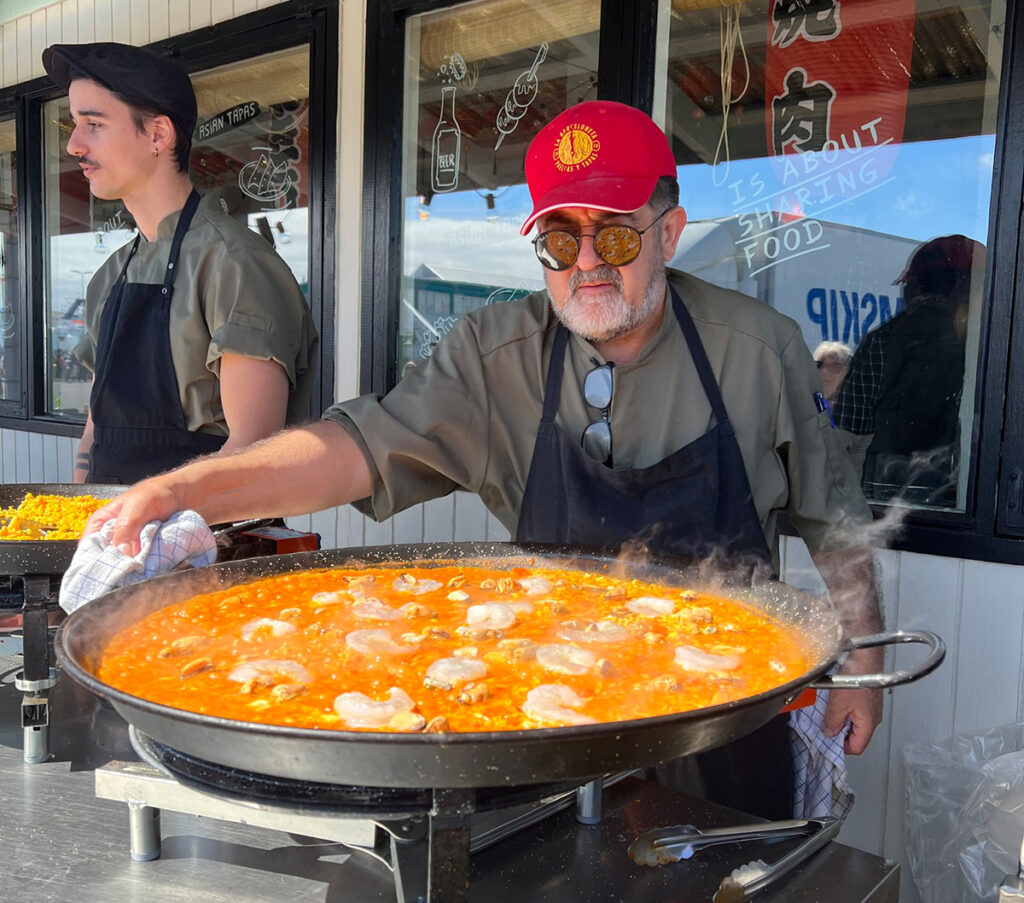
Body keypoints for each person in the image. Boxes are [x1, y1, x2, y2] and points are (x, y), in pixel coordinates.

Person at [88, 100, 883, 819]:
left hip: (719, 715)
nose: (587, 263)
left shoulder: (758, 349)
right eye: (558, 238)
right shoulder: (493, 352)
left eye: (613, 231)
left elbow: (835, 517)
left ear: (667, 234)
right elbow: (350, 450)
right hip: (533, 730)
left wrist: (866, 652)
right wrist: (185, 491)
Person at [41, 42, 318, 485]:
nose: (73, 145)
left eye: (93, 124)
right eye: (75, 125)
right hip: (115, 531)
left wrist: (151, 523)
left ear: (158, 135)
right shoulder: (110, 276)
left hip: (209, 540)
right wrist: (83, 511)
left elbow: (251, 449)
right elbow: (99, 425)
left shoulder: (234, 263)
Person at [832, 234, 985, 504]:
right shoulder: (982, 348)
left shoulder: (882, 339)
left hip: (883, 494)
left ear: (914, 287)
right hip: (959, 497)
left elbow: (849, 430)